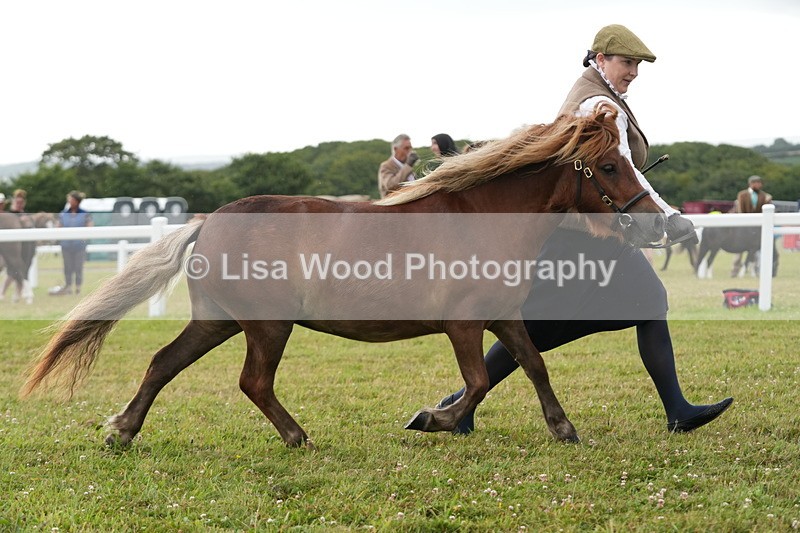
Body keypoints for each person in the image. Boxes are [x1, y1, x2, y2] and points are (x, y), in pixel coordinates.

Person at [432, 24, 732, 435]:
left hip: (591, 234)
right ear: (601, 59)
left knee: (644, 303)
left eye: (638, 65)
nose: (634, 72)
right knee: (535, 326)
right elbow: (622, 172)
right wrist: (667, 214)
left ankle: (677, 409)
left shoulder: (599, 95)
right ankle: (460, 404)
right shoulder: (596, 104)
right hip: (584, 237)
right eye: (627, 62)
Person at [51, 190, 93, 296]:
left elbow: (90, 227)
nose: (70, 201)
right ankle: (68, 287)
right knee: (67, 267)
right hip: (66, 245)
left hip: (79, 246)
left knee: (78, 267)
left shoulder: (85, 214)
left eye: (72, 199)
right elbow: (59, 227)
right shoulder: (63, 214)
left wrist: (83, 239)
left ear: (77, 201)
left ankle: (78, 288)